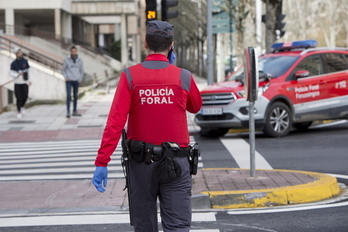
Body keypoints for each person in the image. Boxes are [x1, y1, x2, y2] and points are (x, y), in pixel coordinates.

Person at [92, 20, 202, 232]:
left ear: (145, 43)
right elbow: (196, 106)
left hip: (141, 163)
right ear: (171, 45)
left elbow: (115, 122)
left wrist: (102, 161)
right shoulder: (183, 76)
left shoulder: (130, 76)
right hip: (177, 163)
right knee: (178, 226)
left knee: (144, 226)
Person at [62, 46, 84, 118]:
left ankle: (74, 110)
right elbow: (63, 69)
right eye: (72, 51)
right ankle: (68, 111)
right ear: (70, 52)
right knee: (68, 96)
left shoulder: (80, 60)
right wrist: (66, 77)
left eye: (75, 51)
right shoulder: (67, 60)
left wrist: (79, 79)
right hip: (69, 80)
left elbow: (82, 70)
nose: (73, 52)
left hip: (76, 80)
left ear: (76, 52)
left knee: (75, 96)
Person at [10, 47, 31, 119]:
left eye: (21, 52)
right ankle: (19, 111)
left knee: (25, 96)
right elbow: (11, 73)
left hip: (24, 82)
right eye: (18, 53)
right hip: (17, 83)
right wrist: (17, 74)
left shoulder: (25, 61)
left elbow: (28, 71)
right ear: (16, 54)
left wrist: (29, 80)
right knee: (18, 98)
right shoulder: (13, 63)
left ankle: (22, 106)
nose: (20, 54)